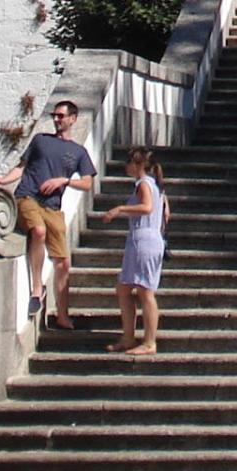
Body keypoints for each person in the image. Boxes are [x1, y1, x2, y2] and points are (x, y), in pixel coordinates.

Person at [0, 100, 95, 329]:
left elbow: (87, 182)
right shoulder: (41, 140)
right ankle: (37, 288)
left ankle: (62, 314)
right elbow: (21, 167)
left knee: (63, 263)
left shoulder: (78, 152)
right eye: (55, 116)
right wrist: (2, 180)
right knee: (38, 231)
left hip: (52, 207)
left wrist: (64, 180)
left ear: (73, 118)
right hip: (28, 197)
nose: (57, 119)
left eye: (61, 116)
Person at [98, 145, 168, 355]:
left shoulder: (144, 184)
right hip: (143, 239)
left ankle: (149, 342)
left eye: (129, 162)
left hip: (144, 239)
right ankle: (128, 337)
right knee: (124, 288)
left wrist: (120, 209)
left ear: (138, 165)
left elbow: (147, 207)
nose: (126, 166)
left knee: (145, 291)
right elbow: (164, 213)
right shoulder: (155, 186)